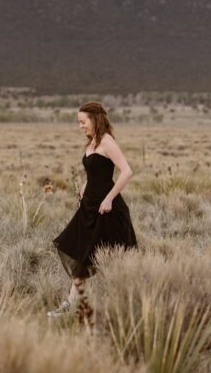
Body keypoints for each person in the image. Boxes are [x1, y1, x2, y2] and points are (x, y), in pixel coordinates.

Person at [48, 101, 137, 316]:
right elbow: (97, 171)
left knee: (108, 259)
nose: (80, 126)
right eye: (78, 122)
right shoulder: (93, 143)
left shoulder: (107, 142)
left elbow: (126, 172)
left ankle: (76, 306)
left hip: (106, 211)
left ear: (95, 119)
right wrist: (86, 185)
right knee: (77, 251)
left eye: (83, 121)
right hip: (88, 208)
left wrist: (108, 200)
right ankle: (73, 304)